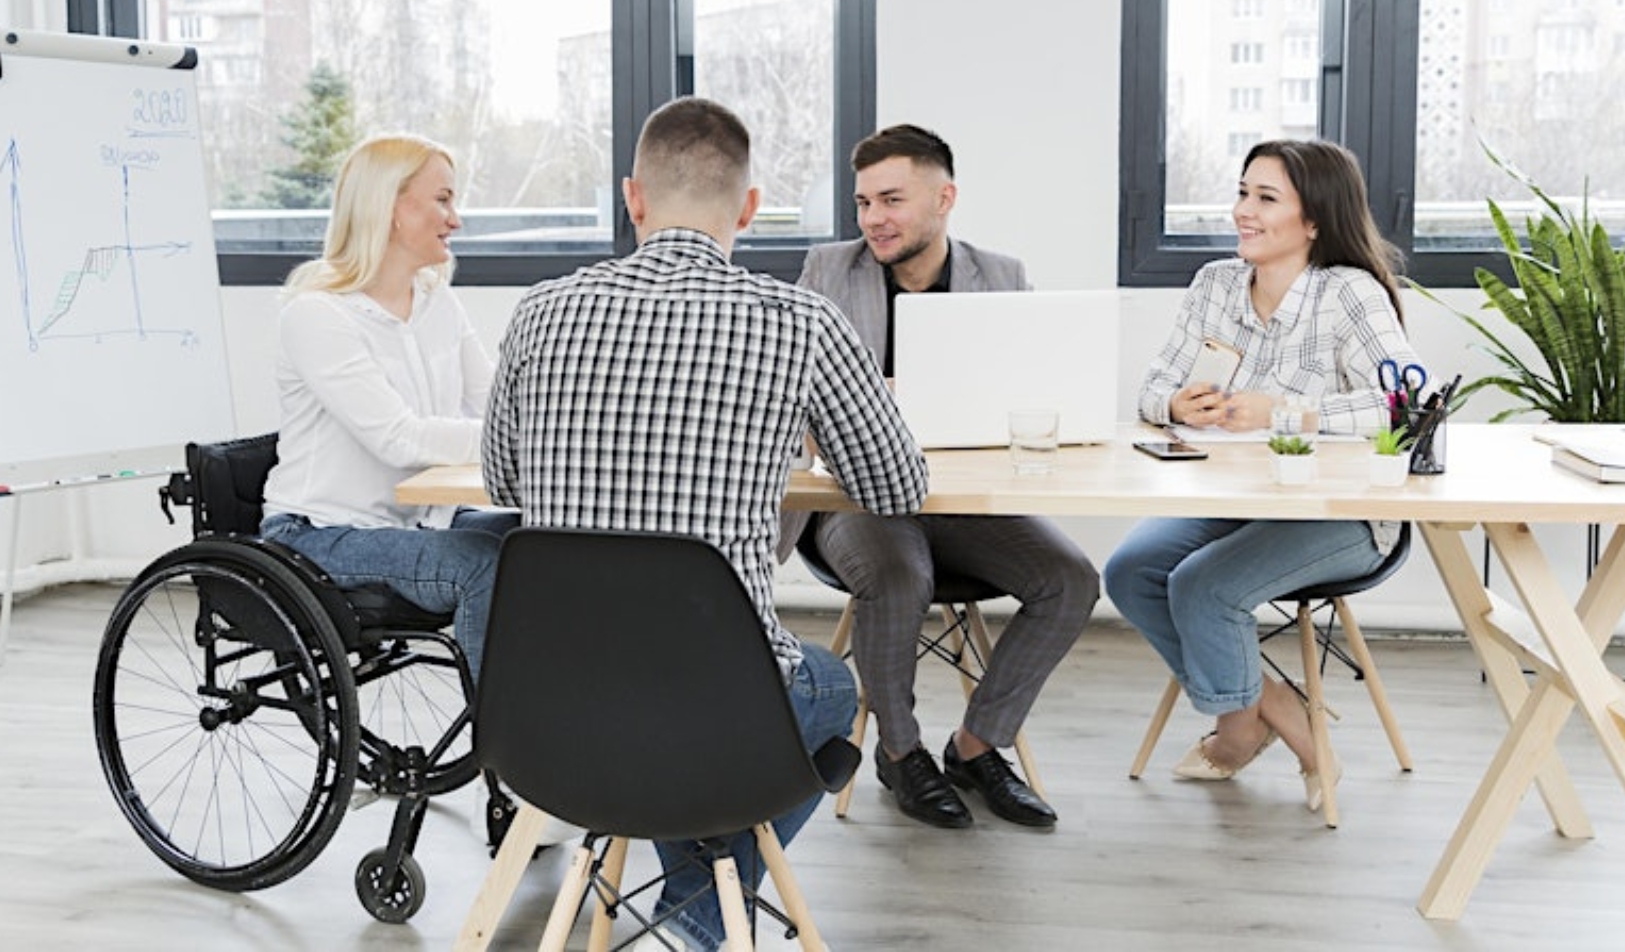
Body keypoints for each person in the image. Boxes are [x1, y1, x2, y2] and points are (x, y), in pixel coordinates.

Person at [483, 97, 928, 952]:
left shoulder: (539, 311)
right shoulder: (801, 322)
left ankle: (688, 915)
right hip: (715, 716)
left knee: (683, 724)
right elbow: (896, 484)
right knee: (830, 686)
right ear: (749, 209)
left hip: (549, 714)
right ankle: (695, 924)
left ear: (633, 198)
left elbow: (506, 481)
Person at [1101, 139, 1437, 814]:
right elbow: (1154, 385)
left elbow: (1411, 403)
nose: (1242, 212)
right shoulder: (1215, 285)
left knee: (1203, 585)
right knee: (1130, 570)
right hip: (1235, 500)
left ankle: (1244, 735)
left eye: (1265, 198)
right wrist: (1174, 404)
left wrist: (1289, 412)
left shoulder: (1348, 294)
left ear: (1313, 219)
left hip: (1343, 516)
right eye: (1242, 193)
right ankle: (1279, 708)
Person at [788, 123, 1099, 830]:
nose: (873, 219)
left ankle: (976, 745)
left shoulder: (1003, 276)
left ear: (944, 198)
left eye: (891, 200)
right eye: (864, 202)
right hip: (855, 495)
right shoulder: (827, 272)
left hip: (960, 500)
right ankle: (899, 753)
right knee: (900, 576)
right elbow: (790, 395)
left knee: (1071, 579)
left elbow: (1036, 393)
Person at [259, 133, 519, 680]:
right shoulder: (318, 315)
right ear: (393, 208)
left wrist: (553, 422)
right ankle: (510, 741)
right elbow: (398, 441)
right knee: (481, 566)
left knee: (539, 541)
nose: (456, 219)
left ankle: (564, 710)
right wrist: (512, 437)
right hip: (319, 534)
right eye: (443, 199)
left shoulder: (436, 301)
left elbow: (498, 400)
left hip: (417, 521)